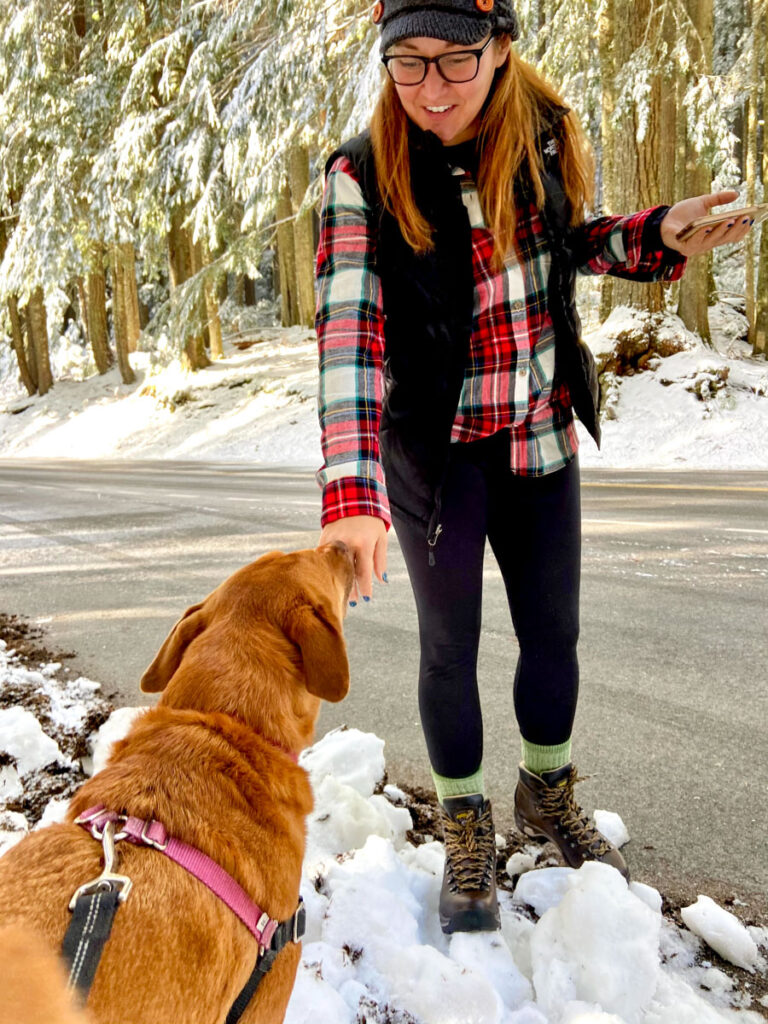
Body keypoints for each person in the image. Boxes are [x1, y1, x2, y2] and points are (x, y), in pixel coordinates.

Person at [313, 0, 753, 934]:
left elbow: (568, 244)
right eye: (408, 62)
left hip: (540, 437)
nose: (431, 88)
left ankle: (544, 794)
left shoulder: (543, 134)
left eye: (456, 60)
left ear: (502, 47)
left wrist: (650, 235)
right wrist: (352, 495)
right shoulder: (360, 173)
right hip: (438, 454)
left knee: (555, 637)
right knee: (451, 649)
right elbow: (348, 338)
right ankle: (466, 817)